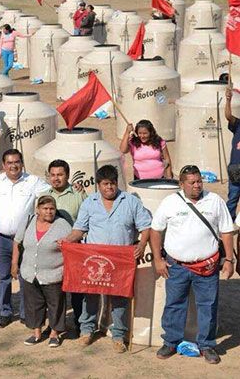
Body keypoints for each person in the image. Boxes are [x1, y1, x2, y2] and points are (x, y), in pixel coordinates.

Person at [60, 165, 152, 353]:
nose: (109, 187)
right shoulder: (89, 203)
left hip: (121, 260)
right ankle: (87, 330)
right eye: (105, 184)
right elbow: (80, 229)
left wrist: (141, 246)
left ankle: (118, 335)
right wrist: (67, 240)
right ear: (98, 185)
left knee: (119, 297)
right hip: (94, 258)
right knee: (90, 294)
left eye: (112, 183)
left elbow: (145, 226)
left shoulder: (130, 202)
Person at [150, 165, 235, 364]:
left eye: (199, 181)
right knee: (174, 305)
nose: (197, 185)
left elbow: (226, 231)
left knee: (208, 306)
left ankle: (207, 345)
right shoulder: (170, 202)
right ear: (181, 185)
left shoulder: (215, 201)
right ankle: (171, 341)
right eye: (192, 182)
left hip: (208, 266)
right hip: (177, 267)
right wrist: (157, 259)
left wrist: (229, 259)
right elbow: (155, 230)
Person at [0, 149, 51, 328]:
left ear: (22, 163)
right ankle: (5, 311)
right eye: (9, 163)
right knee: (3, 277)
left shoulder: (32, 182)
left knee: (25, 275)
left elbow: (53, 191)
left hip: (24, 240)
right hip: (1, 238)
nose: (13, 166)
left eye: (17, 162)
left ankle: (26, 313)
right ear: (3, 165)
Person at [12, 196, 72, 347]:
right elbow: (17, 242)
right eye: (45, 209)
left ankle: (54, 333)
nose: (49, 212)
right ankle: (36, 332)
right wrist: (14, 263)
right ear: (38, 210)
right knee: (33, 303)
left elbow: (72, 247)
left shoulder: (62, 225)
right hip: (29, 272)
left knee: (55, 304)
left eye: (52, 208)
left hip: (54, 273)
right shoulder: (28, 221)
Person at [39, 159, 86, 335]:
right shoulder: (43, 196)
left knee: (76, 290)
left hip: (73, 249)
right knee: (52, 291)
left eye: (60, 174)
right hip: (50, 252)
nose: (56, 178)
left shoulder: (78, 194)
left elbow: (87, 219)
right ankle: (53, 325)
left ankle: (80, 325)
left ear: (67, 175)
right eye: (53, 175)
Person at [225, 87, 240, 220]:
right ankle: (228, 222)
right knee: (233, 198)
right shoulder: (238, 124)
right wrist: (228, 100)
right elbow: (228, 116)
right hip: (236, 168)